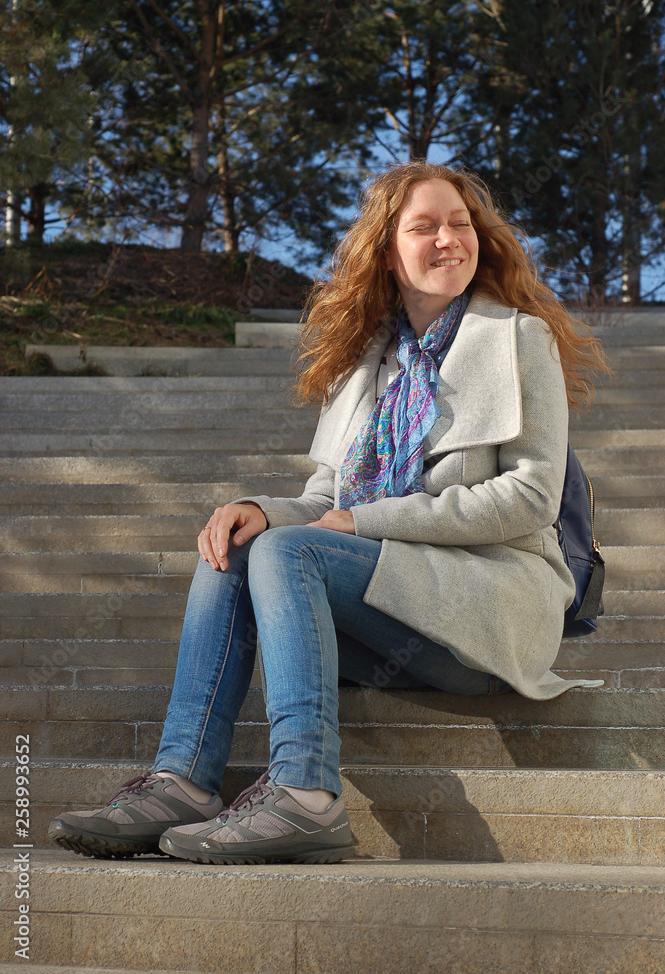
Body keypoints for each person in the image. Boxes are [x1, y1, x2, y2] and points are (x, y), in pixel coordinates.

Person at [49, 161, 610, 865]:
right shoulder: (365, 361)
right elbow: (327, 503)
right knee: (238, 544)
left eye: (460, 223)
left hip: (487, 609)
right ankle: (184, 781)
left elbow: (526, 498)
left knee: (286, 551)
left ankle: (304, 796)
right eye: (424, 227)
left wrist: (363, 523)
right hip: (391, 607)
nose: (449, 239)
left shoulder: (516, 337)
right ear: (385, 250)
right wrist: (257, 507)